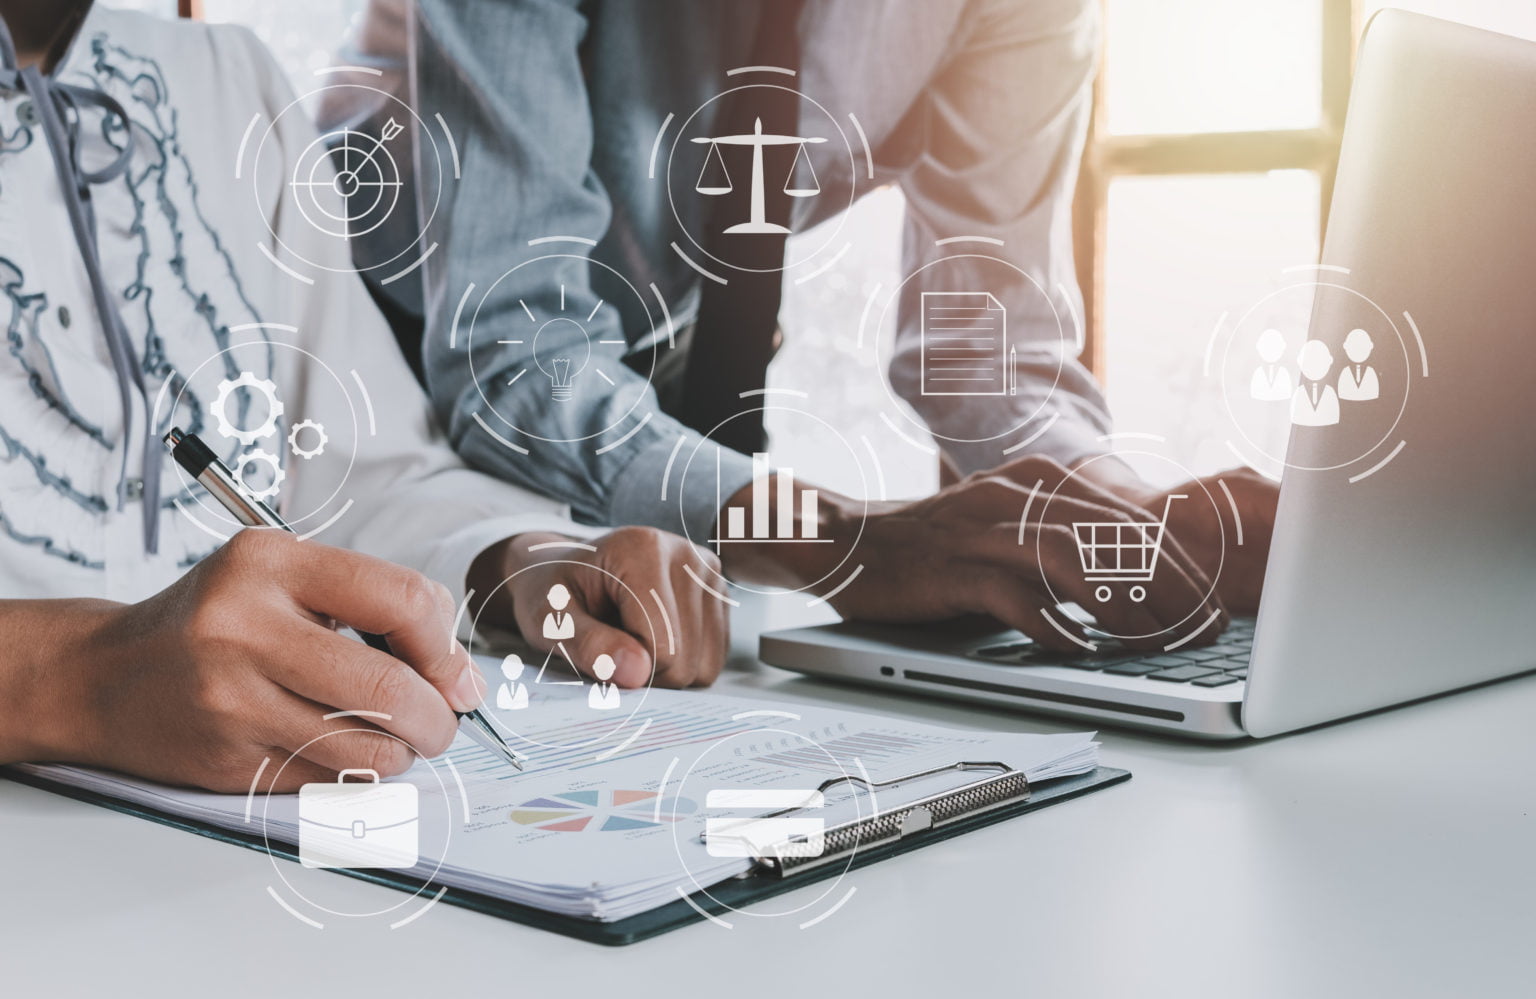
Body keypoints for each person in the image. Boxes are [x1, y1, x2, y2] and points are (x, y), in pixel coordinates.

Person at [0, 1, 727, 794]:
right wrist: (79, 680)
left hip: (239, 859)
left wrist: (519, 562)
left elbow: (362, 475)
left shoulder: (226, 80)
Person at [411, 0, 1278, 648]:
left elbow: (987, 352)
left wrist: (1122, 510)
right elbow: (514, 352)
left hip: (648, 378)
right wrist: (839, 539)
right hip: (382, 384)